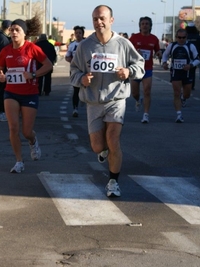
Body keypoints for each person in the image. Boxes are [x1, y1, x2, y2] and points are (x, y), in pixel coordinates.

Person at [70, 5, 145, 197]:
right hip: (94, 103)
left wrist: (129, 71)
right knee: (97, 146)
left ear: (111, 20)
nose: (98, 22)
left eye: (102, 18)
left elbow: (139, 64)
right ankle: (103, 152)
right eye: (95, 19)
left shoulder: (123, 44)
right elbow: (74, 71)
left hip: (116, 99)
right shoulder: (85, 45)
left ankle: (113, 181)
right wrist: (81, 79)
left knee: (113, 139)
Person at [0, 17, 53, 173]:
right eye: (12, 30)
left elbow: (48, 65)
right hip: (11, 93)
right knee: (13, 128)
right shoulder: (5, 51)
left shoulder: (32, 48)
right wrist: (0, 75)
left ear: (24, 34)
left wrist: (33, 75)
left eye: (17, 30)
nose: (13, 32)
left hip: (29, 94)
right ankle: (19, 161)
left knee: (26, 131)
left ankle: (33, 141)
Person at [161, 28, 200, 123]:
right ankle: (179, 114)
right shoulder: (172, 45)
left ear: (186, 37)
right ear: (176, 37)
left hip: (187, 72)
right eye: (179, 37)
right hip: (176, 72)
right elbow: (165, 55)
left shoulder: (191, 46)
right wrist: (164, 63)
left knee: (187, 94)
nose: (181, 39)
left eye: (183, 37)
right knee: (176, 93)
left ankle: (184, 98)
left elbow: (198, 59)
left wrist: (190, 65)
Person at [129, 16, 161, 123]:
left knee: (147, 91)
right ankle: (138, 100)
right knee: (134, 93)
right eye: (142, 24)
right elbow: (127, 51)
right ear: (140, 25)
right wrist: (135, 52)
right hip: (135, 68)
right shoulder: (134, 38)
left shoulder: (154, 38)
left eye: (147, 24)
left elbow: (157, 51)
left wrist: (159, 54)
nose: (144, 25)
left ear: (150, 26)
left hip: (147, 69)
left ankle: (146, 114)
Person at [65, 25, 85, 117]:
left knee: (85, 88)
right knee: (76, 89)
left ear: (82, 34)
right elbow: (67, 56)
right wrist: (71, 61)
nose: (78, 35)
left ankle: (83, 99)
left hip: (85, 69)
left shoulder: (86, 43)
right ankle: (75, 109)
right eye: (76, 33)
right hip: (75, 70)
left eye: (80, 33)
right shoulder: (72, 45)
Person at [186, 22, 200, 87]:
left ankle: (185, 84)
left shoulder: (185, 36)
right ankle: (192, 85)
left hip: (186, 55)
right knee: (192, 71)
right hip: (195, 56)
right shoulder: (198, 36)